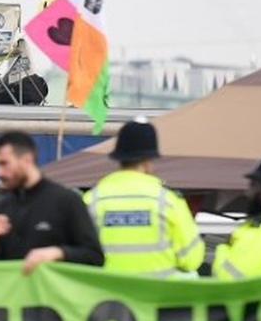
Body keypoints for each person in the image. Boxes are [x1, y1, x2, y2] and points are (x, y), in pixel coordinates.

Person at [83, 119, 203, 278]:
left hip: (107, 299)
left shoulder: (92, 200)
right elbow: (192, 260)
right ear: (148, 162)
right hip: (157, 298)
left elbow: (79, 259)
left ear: (119, 159)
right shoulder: (168, 201)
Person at [0, 131, 104, 274]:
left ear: (27, 159)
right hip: (14, 295)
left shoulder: (67, 201)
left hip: (54, 295)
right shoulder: (0, 207)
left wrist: (59, 253)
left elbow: (95, 257)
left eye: (4, 163)